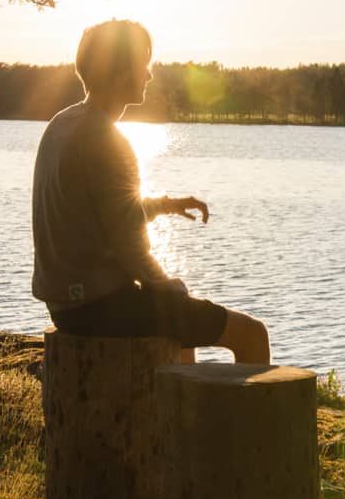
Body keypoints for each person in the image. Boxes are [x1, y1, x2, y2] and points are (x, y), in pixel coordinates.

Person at [32, 19, 270, 364]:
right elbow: (132, 249)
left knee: (180, 328)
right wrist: (172, 287)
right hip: (102, 308)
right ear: (122, 72)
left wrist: (164, 206)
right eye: (144, 65)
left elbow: (103, 214)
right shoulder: (107, 139)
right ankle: (254, 419)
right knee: (250, 333)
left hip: (64, 306)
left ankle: (182, 416)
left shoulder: (63, 123)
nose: (150, 74)